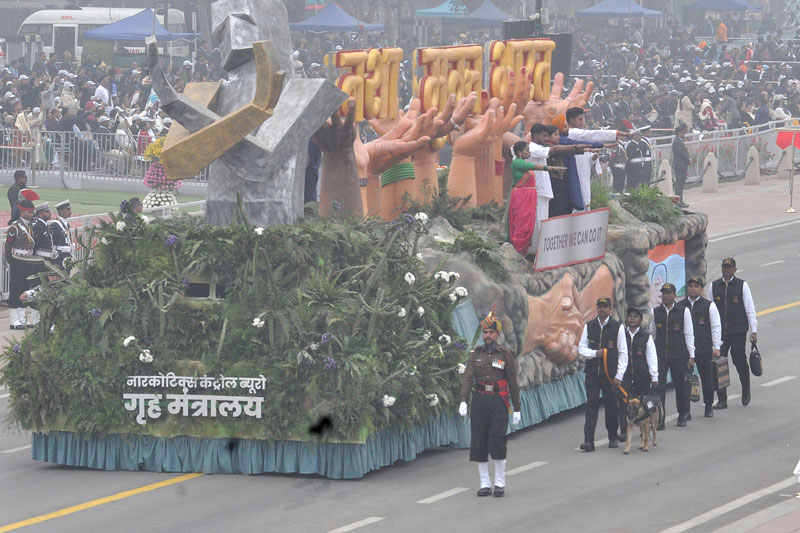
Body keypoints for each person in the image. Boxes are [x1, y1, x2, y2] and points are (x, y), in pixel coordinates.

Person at [458, 306, 521, 497]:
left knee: (497, 440)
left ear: (498, 333)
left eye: (491, 332)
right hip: (480, 401)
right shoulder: (475, 354)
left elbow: (512, 382)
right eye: (485, 332)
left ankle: (500, 482)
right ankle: (485, 482)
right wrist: (463, 400)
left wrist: (517, 407)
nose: (487, 336)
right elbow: (468, 377)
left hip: (498, 401)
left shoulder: (505, 355)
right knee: (479, 441)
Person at [577, 297, 628, 451]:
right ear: (596, 308)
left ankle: (612, 437)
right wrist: (595, 353)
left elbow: (623, 353)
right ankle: (588, 441)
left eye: (605, 307)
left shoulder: (617, 327)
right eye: (600, 306)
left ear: (610, 309)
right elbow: (581, 348)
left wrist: (619, 376)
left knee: (611, 406)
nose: (602, 309)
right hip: (592, 372)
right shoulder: (589, 326)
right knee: (591, 406)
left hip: (610, 374)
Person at [708, 257, 758, 408]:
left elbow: (750, 308)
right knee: (719, 364)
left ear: (735, 269)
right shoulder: (714, 286)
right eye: (724, 267)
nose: (726, 270)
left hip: (738, 330)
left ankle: (746, 389)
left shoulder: (742, 285)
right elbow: (710, 310)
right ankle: (722, 398)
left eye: (729, 267)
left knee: (739, 360)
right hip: (721, 333)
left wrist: (753, 330)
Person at [650, 283, 695, 428]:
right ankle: (660, 419)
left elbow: (689, 334)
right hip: (661, 355)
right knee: (659, 387)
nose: (665, 295)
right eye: (663, 293)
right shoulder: (655, 312)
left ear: (674, 295)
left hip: (679, 354)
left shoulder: (683, 311)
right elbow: (652, 334)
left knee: (680, 386)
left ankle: (682, 414)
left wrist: (691, 355)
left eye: (668, 293)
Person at [682, 276, 721, 418]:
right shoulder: (681, 306)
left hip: (704, 348)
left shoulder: (708, 305)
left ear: (701, 289)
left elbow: (716, 327)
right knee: (685, 380)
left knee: (707, 379)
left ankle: (709, 406)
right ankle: (686, 410)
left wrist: (716, 347)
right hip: (686, 350)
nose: (693, 288)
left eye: (696, 286)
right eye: (690, 286)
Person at [507, 141, 554, 255]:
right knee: (521, 223)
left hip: (527, 196)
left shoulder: (522, 162)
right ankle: (519, 251)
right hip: (522, 197)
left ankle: (524, 251)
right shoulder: (518, 162)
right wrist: (552, 168)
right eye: (527, 150)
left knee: (527, 222)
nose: (529, 153)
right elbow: (535, 166)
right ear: (519, 152)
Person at [618, 307, 659, 436]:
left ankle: (644, 430)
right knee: (624, 403)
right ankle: (624, 431)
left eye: (635, 317)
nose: (632, 319)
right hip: (625, 376)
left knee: (642, 404)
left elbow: (652, 357)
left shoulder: (646, 337)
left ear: (640, 320)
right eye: (630, 316)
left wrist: (654, 376)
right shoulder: (621, 335)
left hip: (642, 376)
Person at [5, 190, 43, 329]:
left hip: (28, 260)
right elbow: (8, 245)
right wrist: (11, 261)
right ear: (22, 212)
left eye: (32, 212)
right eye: (29, 212)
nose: (31, 215)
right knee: (15, 289)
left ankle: (21, 319)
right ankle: (14, 321)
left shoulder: (31, 226)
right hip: (18, 259)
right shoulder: (15, 227)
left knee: (25, 289)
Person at [49, 199, 73, 271]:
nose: (70, 212)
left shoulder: (66, 224)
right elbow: (53, 242)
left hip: (67, 254)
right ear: (61, 211)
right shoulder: (55, 225)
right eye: (67, 210)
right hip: (59, 255)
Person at [672, 124, 691, 208]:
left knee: (681, 184)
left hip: (682, 165)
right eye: (683, 133)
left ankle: (680, 200)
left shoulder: (679, 141)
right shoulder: (677, 142)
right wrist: (688, 160)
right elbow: (682, 154)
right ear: (679, 133)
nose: (684, 134)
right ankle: (678, 201)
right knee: (679, 184)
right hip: (679, 165)